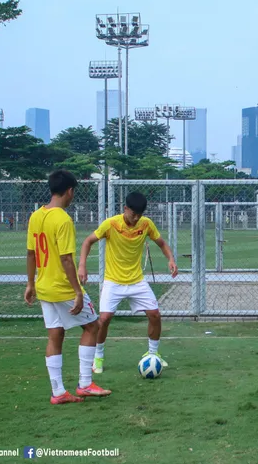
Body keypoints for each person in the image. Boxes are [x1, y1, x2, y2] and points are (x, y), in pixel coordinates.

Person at [24, 169, 111, 405]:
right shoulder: (63, 219)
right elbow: (65, 259)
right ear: (70, 191)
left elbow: (31, 253)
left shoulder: (36, 216)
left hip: (43, 286)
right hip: (62, 287)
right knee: (93, 326)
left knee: (56, 333)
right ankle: (85, 384)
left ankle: (58, 391)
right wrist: (77, 291)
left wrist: (30, 283)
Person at [78, 191, 178, 374]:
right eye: (133, 214)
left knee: (155, 315)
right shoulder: (111, 224)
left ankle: (153, 354)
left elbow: (162, 243)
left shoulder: (146, 224)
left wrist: (171, 259)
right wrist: (82, 266)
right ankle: (98, 357)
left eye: (139, 214)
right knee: (104, 319)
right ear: (125, 209)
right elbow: (88, 242)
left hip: (137, 281)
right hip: (113, 281)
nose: (136, 218)